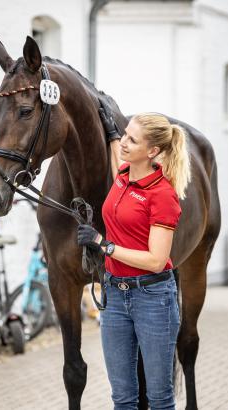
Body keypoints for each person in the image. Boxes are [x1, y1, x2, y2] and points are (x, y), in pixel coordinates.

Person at [77, 99, 191, 410]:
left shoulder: (162, 195)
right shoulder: (124, 174)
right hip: (114, 298)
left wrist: (104, 245)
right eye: (125, 135)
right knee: (122, 398)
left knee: (159, 398)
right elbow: (117, 160)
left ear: (152, 152)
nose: (125, 143)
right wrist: (113, 133)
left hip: (153, 298)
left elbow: (156, 259)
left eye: (132, 139)